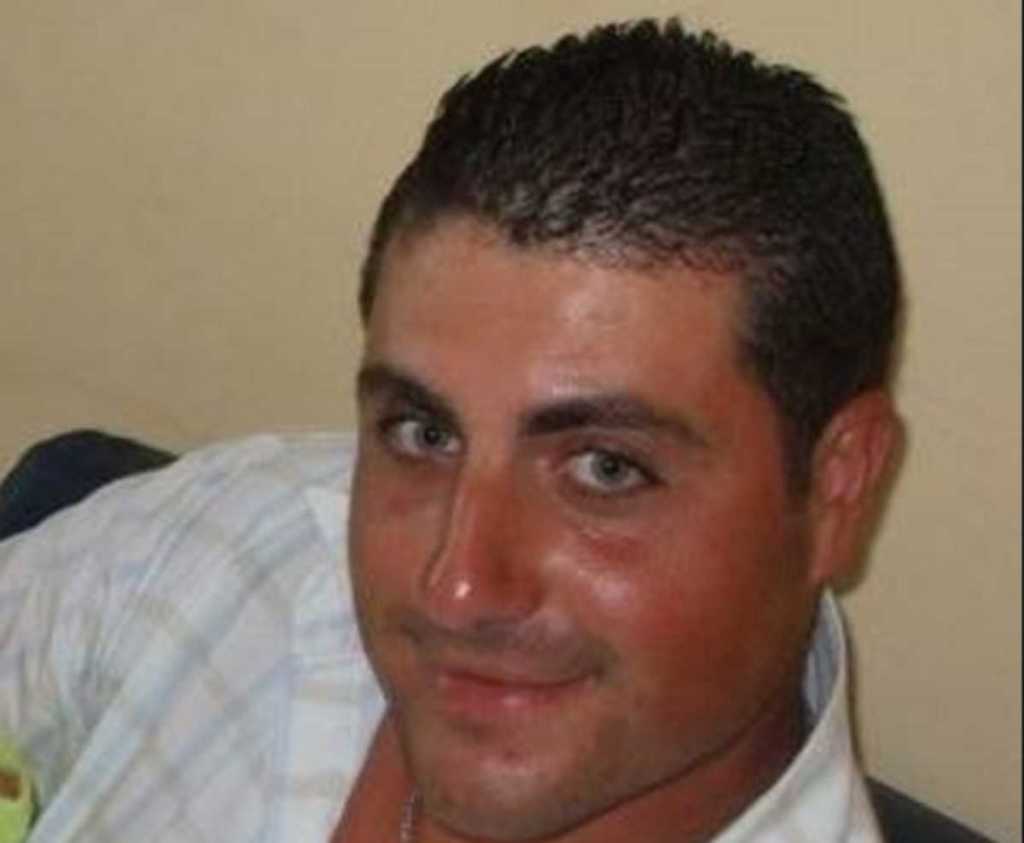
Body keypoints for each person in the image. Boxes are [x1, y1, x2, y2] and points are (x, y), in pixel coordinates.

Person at [0, 18, 899, 843]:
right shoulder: (251, 538)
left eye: (605, 468)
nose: (457, 585)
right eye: (425, 434)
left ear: (838, 490)